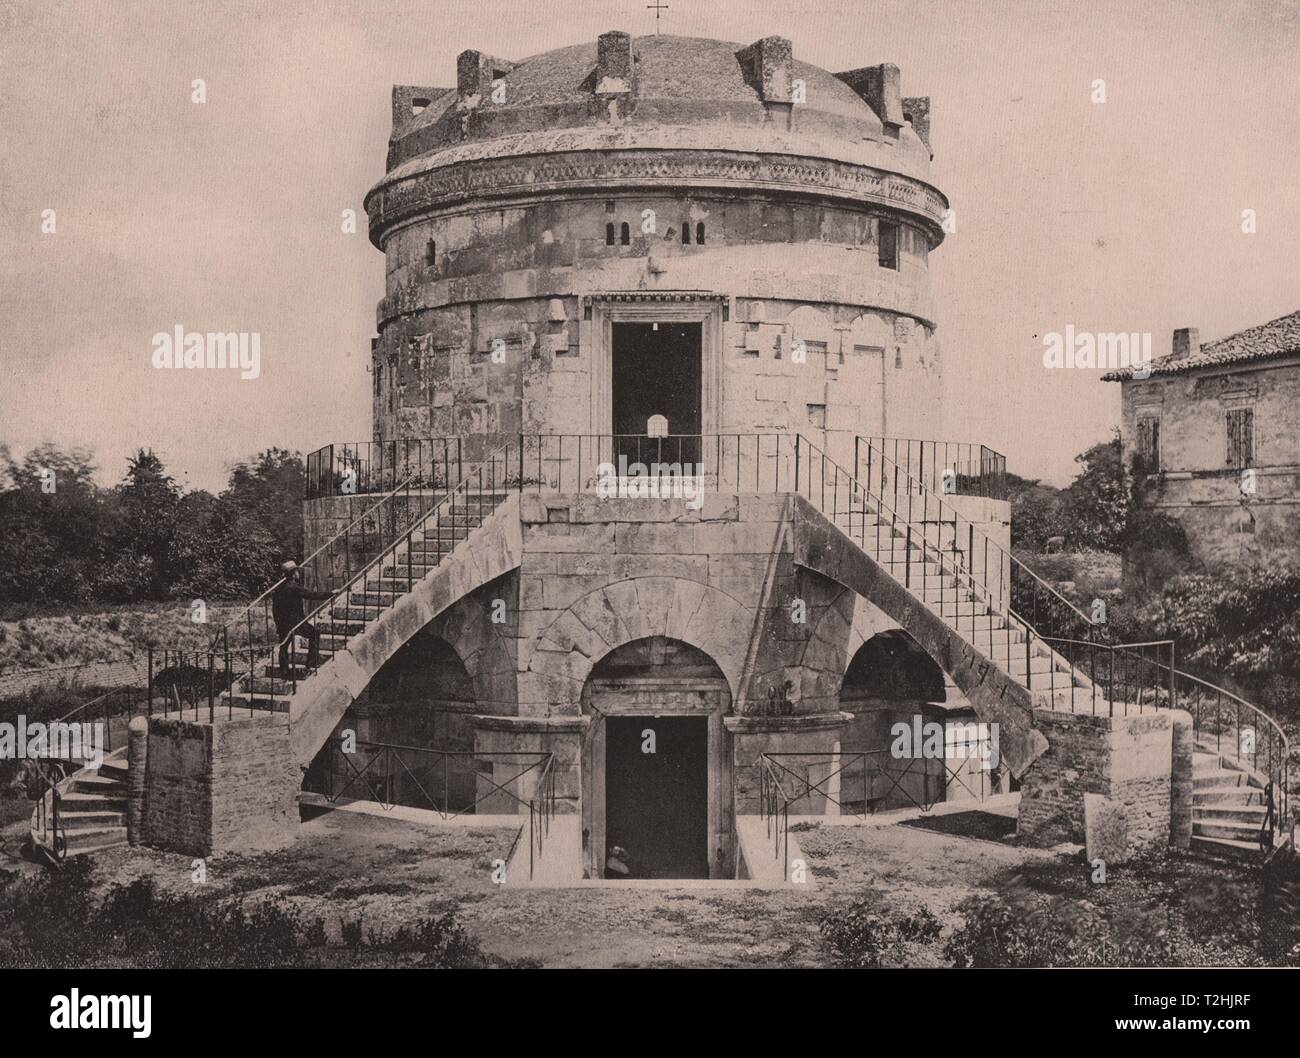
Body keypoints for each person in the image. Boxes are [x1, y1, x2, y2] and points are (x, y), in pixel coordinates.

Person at [271, 561, 333, 678]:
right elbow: (311, 595)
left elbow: (274, 609)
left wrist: (278, 623)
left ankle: (284, 671)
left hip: (283, 623)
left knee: (284, 645)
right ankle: (312, 662)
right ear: (294, 574)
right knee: (314, 634)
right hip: (295, 622)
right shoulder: (294, 587)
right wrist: (330, 594)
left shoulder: (279, 589)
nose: (299, 574)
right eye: (297, 572)